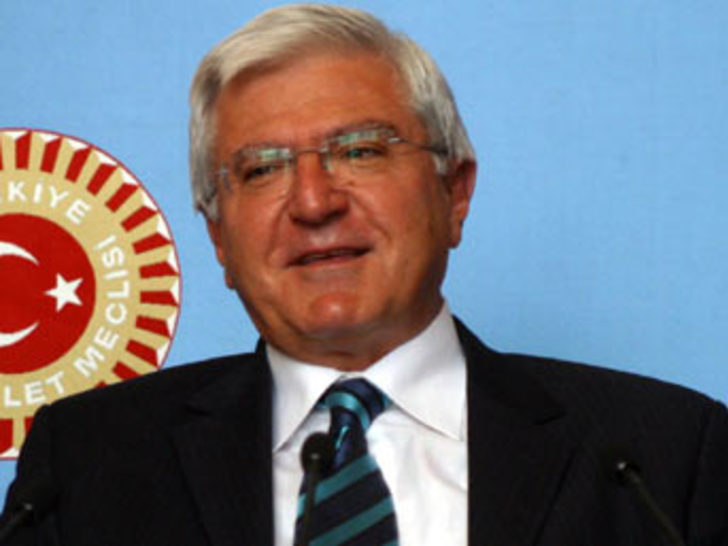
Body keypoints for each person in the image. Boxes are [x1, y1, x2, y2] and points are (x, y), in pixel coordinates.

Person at [3, 4, 727, 545]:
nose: (314, 202)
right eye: (261, 170)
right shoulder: (89, 462)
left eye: (360, 151)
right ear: (218, 235)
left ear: (454, 192)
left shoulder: (661, 457)